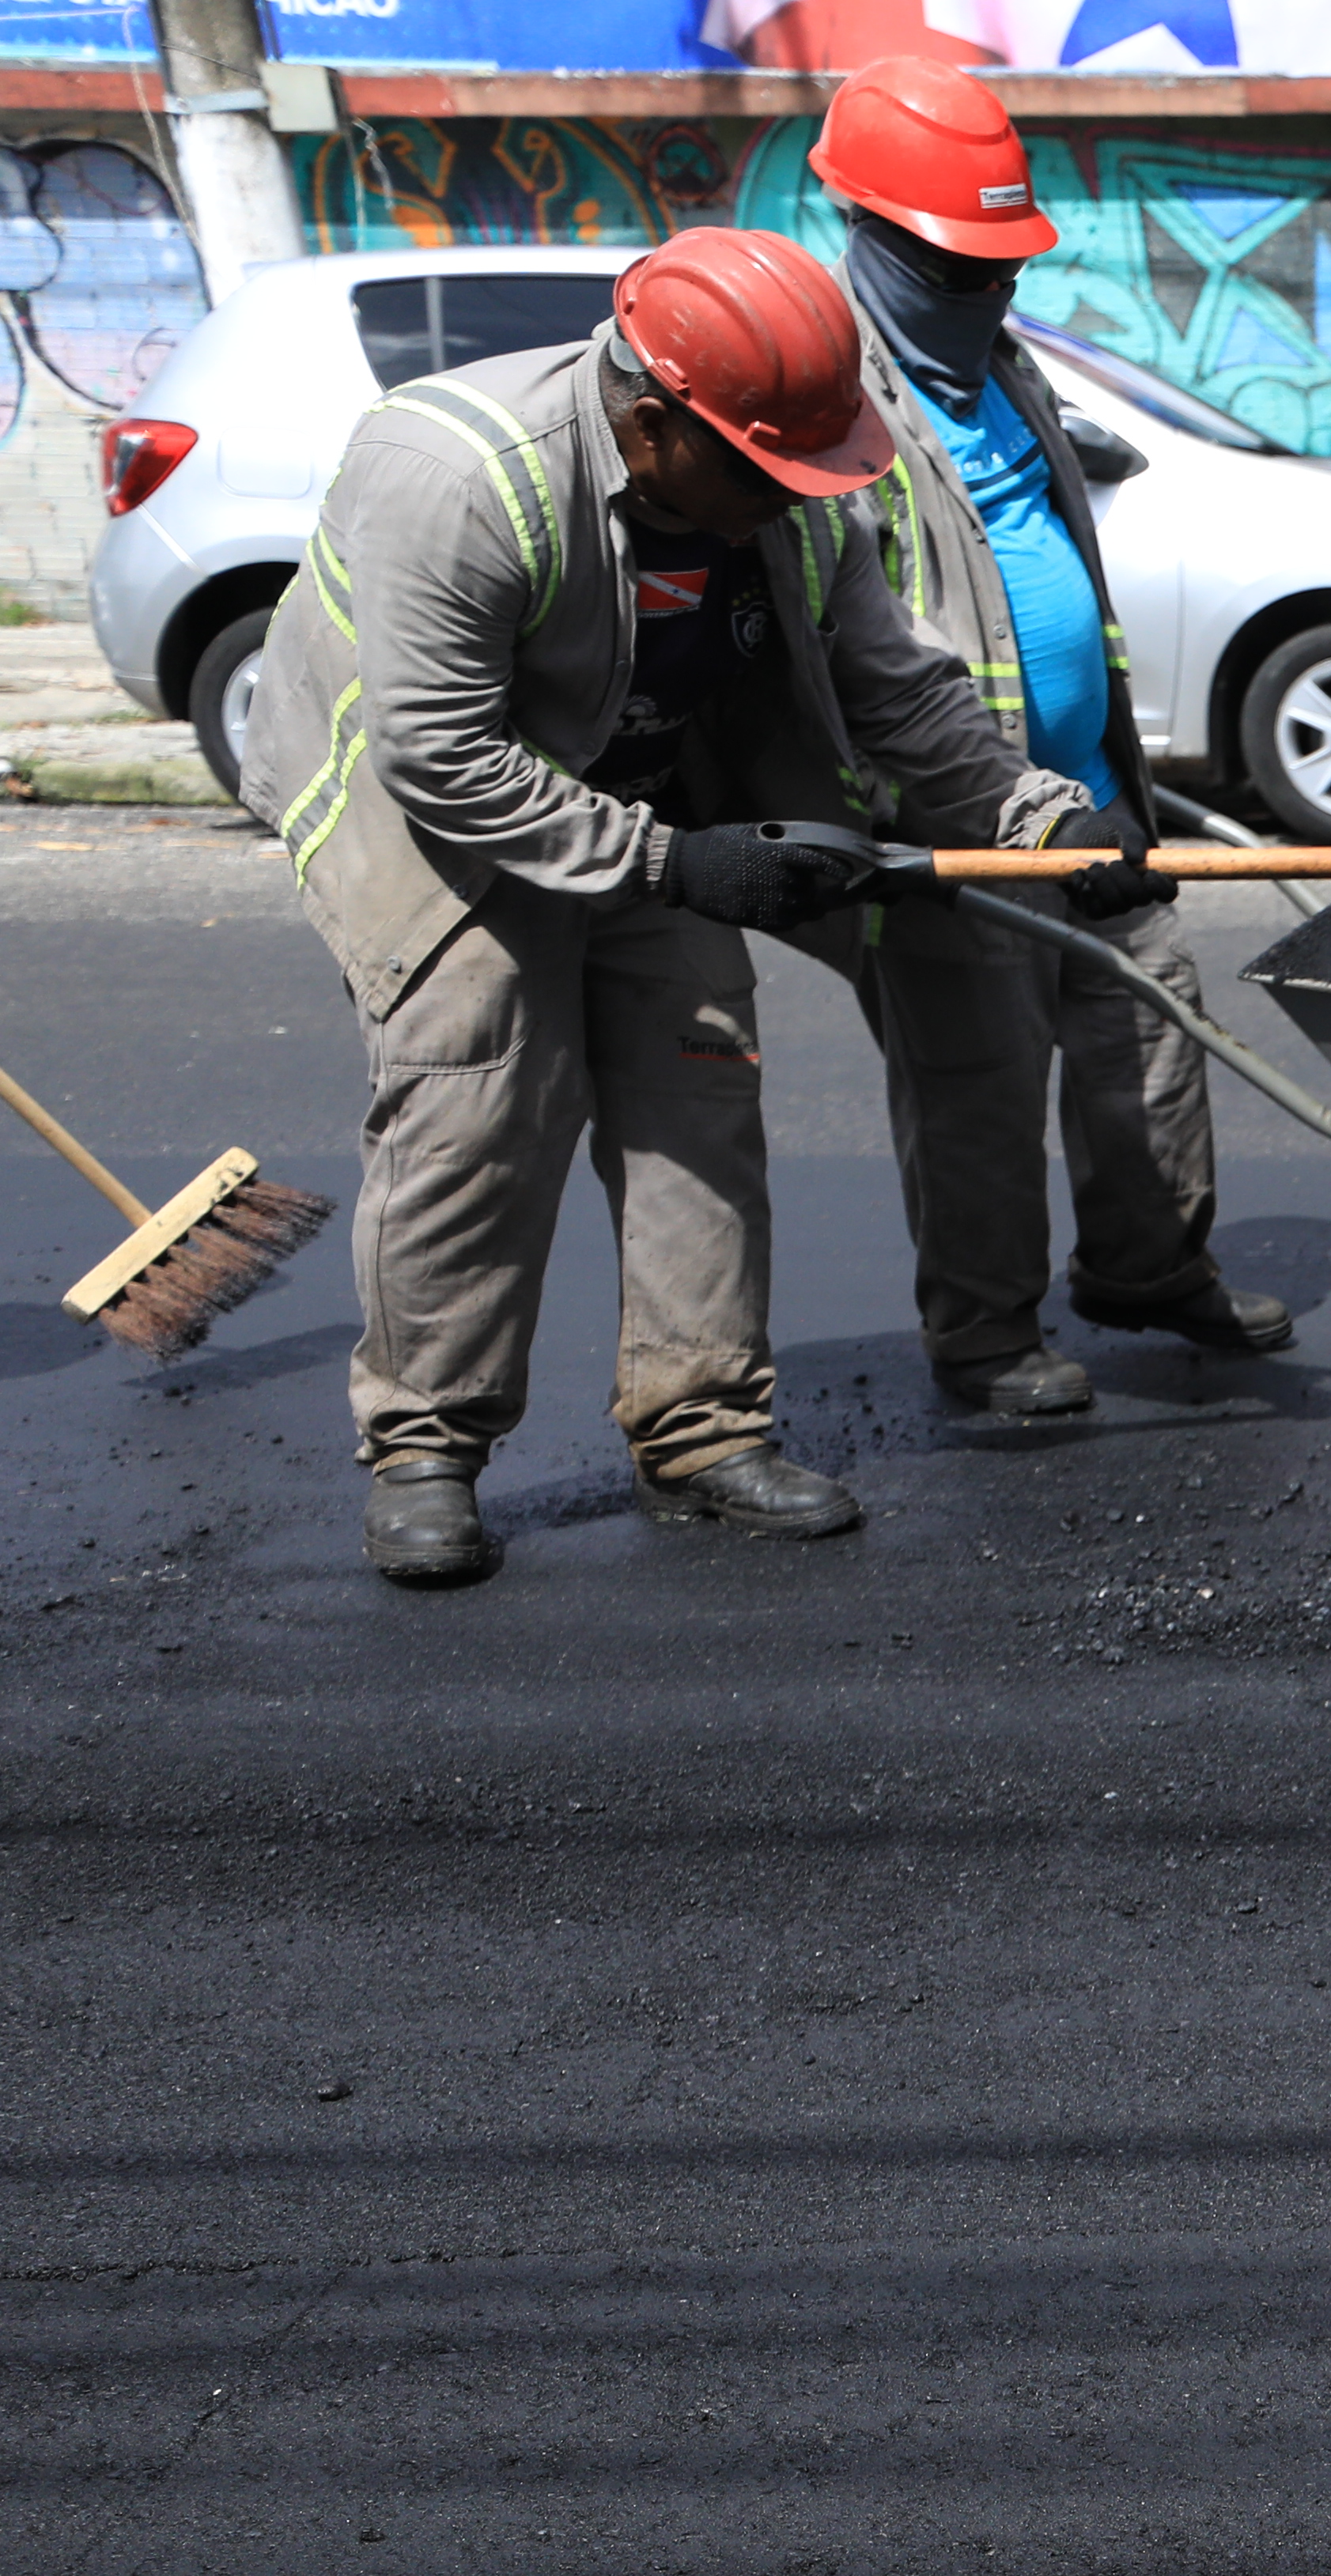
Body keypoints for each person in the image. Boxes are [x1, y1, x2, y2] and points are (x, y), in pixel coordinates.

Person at [251, 225, 1124, 1588]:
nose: (791, 499)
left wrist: (1038, 817)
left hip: (640, 784)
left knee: (700, 1081)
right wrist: (678, 867)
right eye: (762, 474)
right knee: (483, 1099)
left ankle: (702, 1429)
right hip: (430, 808)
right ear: (655, 425)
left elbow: (895, 686)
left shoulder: (794, 471)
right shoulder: (459, 478)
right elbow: (442, 755)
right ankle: (427, 1450)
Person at [802, 59, 1292, 1417]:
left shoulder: (997, 357)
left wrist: (1110, 784)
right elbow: (860, 660)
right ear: (873, 233)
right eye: (962, 268)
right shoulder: (826, 392)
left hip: (1088, 791)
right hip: (952, 820)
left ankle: (1149, 1266)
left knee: (1150, 1024)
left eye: (1000, 266)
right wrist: (991, 807)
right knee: (978, 1086)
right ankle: (984, 1336)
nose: (989, 290)